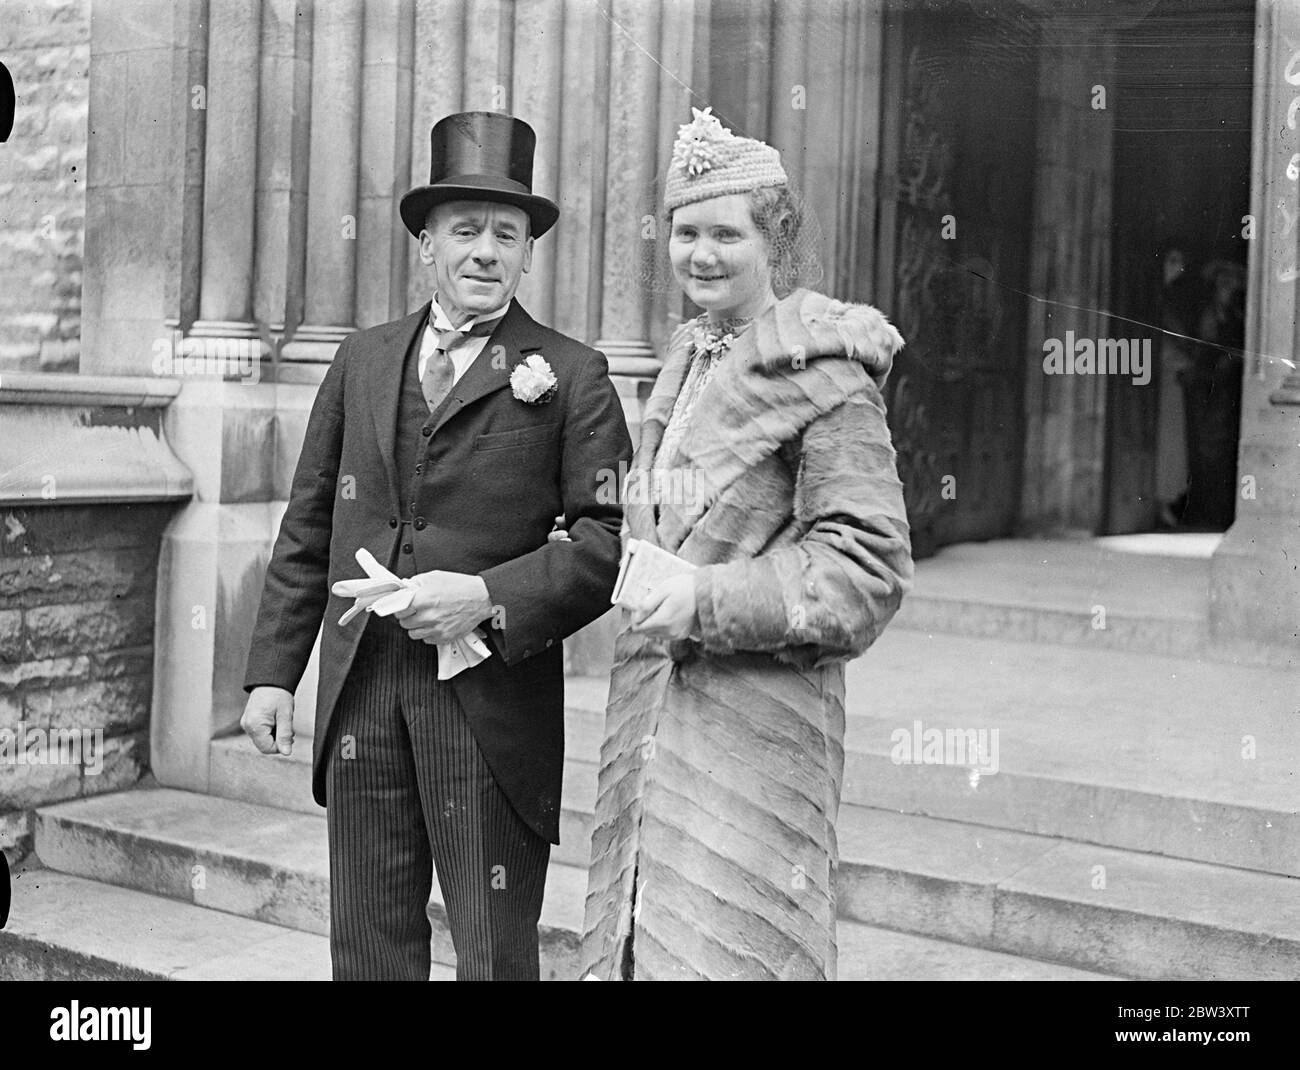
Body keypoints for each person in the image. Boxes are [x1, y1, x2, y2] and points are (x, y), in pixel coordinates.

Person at [240, 111, 631, 980]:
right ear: (426, 244)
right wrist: (273, 670)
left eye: (507, 233)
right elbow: (309, 523)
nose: (485, 251)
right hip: (364, 691)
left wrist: (488, 597)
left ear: (529, 252)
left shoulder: (571, 374)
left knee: (492, 953)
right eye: (465, 231)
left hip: (488, 705)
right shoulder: (362, 360)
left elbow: (606, 546)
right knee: (369, 948)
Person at [580, 108, 913, 980]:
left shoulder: (827, 375)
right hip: (657, 723)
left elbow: (865, 571)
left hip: (759, 730)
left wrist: (704, 599)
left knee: (735, 955)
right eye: (686, 232)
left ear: (775, 239)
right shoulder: (685, 357)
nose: (702, 254)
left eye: (726, 233)